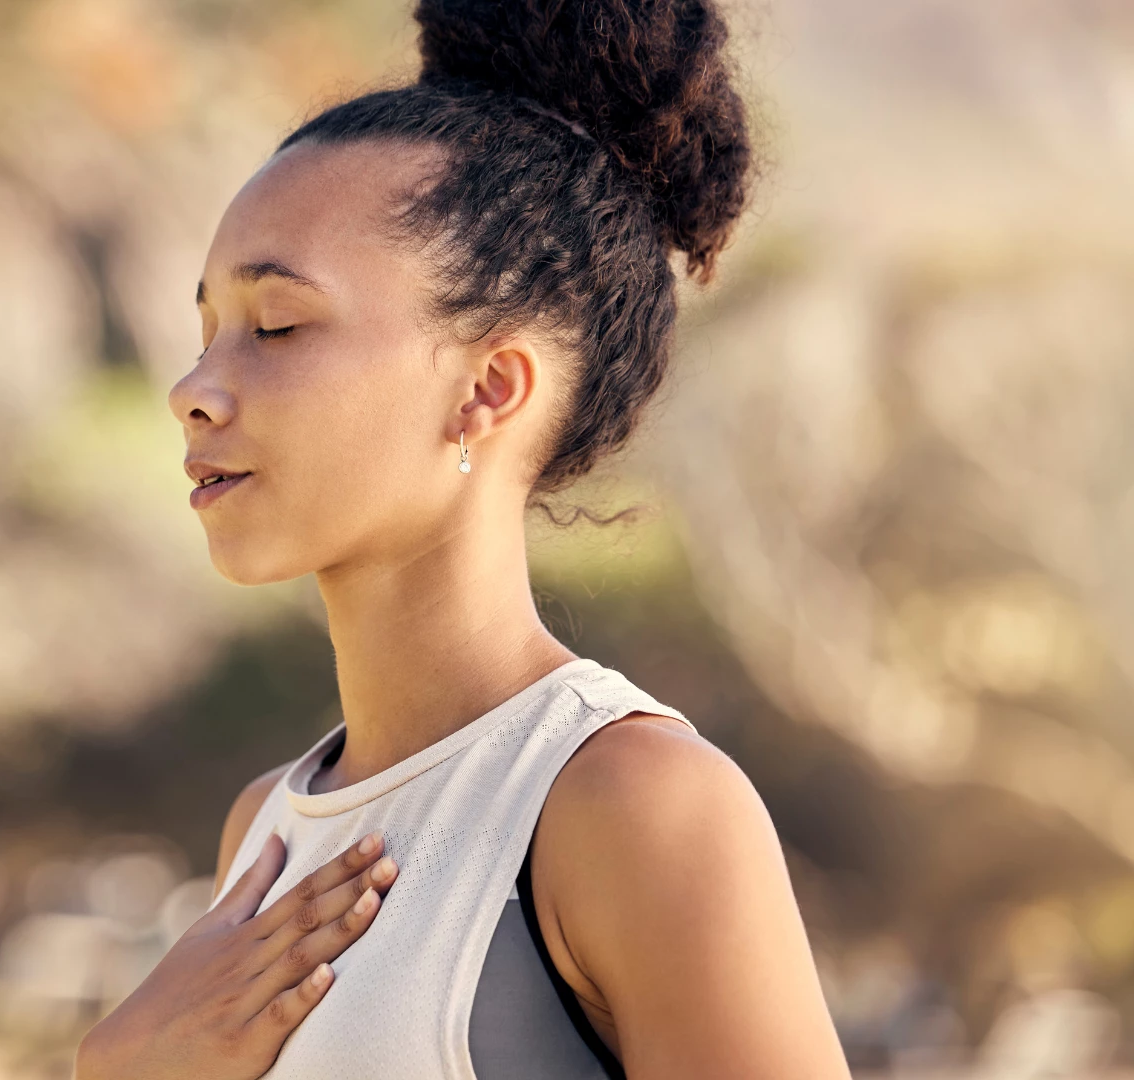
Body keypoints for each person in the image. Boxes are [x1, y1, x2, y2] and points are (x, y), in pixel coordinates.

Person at [73, 0, 852, 1077]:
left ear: (488, 387)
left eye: (278, 326)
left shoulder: (629, 805)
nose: (194, 391)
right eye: (206, 330)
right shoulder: (266, 831)